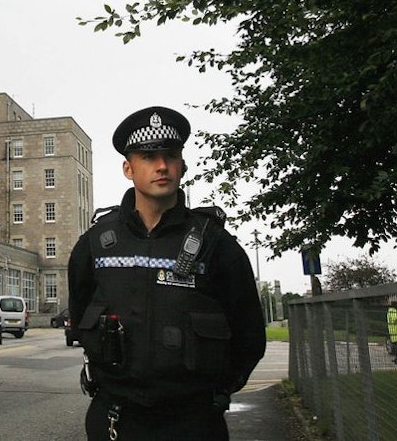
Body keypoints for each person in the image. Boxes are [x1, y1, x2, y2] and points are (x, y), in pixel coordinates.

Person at [68, 106, 266, 440]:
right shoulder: (96, 244)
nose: (162, 166)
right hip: (116, 419)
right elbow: (80, 314)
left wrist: (213, 395)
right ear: (128, 168)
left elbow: (249, 335)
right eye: (148, 157)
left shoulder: (216, 245)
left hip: (194, 422)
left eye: (171, 156)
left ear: (182, 165)